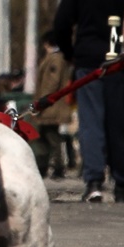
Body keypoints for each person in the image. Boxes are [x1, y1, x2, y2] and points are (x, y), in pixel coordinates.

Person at [52, 0, 124, 203]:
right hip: (121, 62)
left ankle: (93, 181)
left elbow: (61, 24)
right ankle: (123, 179)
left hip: (89, 63)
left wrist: (71, 53)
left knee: (90, 122)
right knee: (117, 122)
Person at [30, 31, 76, 179]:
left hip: (50, 106)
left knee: (51, 137)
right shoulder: (57, 58)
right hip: (50, 105)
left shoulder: (55, 59)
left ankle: (57, 166)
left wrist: (42, 100)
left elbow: (52, 81)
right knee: (44, 136)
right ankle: (44, 165)